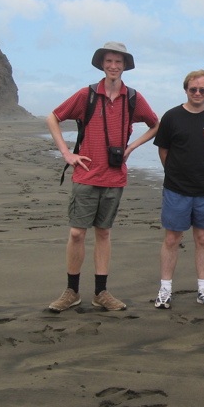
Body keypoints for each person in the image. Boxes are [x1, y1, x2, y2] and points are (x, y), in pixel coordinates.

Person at [46, 42, 158, 312]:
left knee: (104, 234)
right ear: (102, 64)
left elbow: (156, 124)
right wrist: (66, 154)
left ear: (124, 66)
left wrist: (131, 147)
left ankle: (101, 292)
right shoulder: (87, 95)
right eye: (109, 61)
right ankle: (71, 291)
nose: (113, 66)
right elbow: (53, 117)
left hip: (114, 176)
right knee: (76, 234)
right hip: (85, 174)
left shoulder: (133, 97)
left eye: (118, 62)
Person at [152, 70, 204, 309]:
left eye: (202, 90)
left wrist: (199, 173)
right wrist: (177, 174)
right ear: (185, 89)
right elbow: (163, 151)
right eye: (193, 89)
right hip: (176, 189)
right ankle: (165, 290)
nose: (197, 93)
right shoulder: (172, 117)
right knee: (172, 238)